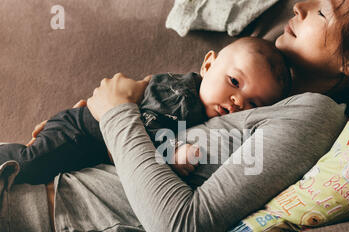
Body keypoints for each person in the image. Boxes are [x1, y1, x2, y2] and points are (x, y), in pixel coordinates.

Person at [0, 0, 349, 232]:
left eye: (323, 12)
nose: (299, 6)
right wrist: (94, 123)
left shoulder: (311, 117)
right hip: (22, 180)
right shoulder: (262, 96)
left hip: (34, 222)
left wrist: (116, 113)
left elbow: (177, 230)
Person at [0, 37, 290, 184]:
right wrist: (173, 153)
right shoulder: (181, 95)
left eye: (253, 103)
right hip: (80, 132)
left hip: (93, 148)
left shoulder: (204, 114)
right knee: (29, 164)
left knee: (43, 177)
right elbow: (147, 124)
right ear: (209, 65)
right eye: (234, 82)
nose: (238, 101)